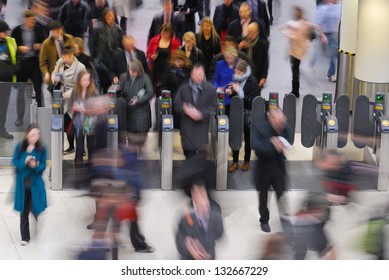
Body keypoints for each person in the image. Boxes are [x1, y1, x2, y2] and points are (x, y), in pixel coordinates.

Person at [251, 107, 293, 233]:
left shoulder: (284, 127)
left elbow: (289, 139)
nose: (279, 123)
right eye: (277, 120)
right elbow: (255, 145)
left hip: (279, 167)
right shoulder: (259, 127)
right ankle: (264, 220)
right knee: (263, 196)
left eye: (281, 120)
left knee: (281, 195)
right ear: (270, 118)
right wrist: (272, 144)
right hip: (264, 167)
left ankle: (285, 220)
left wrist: (282, 142)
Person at [12, 123, 47, 246]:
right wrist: (25, 160)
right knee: (23, 210)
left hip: (35, 184)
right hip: (23, 184)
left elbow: (43, 165)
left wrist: (36, 165)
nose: (35, 137)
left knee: (34, 206)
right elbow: (15, 161)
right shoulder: (20, 146)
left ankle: (35, 216)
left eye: (37, 134)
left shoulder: (42, 149)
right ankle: (25, 237)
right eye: (33, 134)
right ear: (27, 135)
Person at [174, 64, 218, 159]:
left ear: (204, 74)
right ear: (191, 74)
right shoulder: (184, 88)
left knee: (201, 160)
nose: (198, 77)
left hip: (201, 131)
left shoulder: (211, 89)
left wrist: (201, 114)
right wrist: (185, 109)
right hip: (187, 131)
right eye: (196, 74)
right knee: (189, 159)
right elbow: (176, 104)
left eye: (200, 74)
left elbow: (215, 107)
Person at [280, 6, 326, 97]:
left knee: (295, 71)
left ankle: (295, 91)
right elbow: (316, 26)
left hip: (296, 52)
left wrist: (283, 31)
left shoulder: (298, 25)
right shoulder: (305, 23)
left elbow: (294, 37)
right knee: (295, 69)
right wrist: (323, 35)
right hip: (301, 49)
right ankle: (295, 90)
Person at [175, 180, 224, 260]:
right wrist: (188, 246)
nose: (201, 199)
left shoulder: (216, 212)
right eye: (197, 195)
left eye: (202, 194)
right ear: (193, 198)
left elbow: (220, 233)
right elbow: (179, 237)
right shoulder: (185, 214)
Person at [226, 60, 260, 173]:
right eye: (236, 72)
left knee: (248, 138)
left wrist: (239, 91)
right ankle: (235, 161)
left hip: (247, 113)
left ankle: (246, 161)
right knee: (235, 135)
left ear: (244, 72)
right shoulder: (236, 79)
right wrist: (231, 92)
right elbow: (235, 98)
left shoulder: (253, 82)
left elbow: (252, 101)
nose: (237, 75)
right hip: (236, 112)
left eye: (239, 73)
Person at [52, 46, 86, 155]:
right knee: (67, 124)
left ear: (71, 56)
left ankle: (81, 148)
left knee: (78, 124)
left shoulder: (81, 67)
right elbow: (54, 74)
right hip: (64, 98)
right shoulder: (60, 63)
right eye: (63, 57)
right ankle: (71, 146)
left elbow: (83, 85)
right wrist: (55, 78)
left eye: (66, 58)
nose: (64, 60)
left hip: (77, 97)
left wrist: (71, 93)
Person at [12, 10, 46, 117]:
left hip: (34, 62)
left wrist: (39, 46)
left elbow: (43, 42)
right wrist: (19, 48)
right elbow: (12, 46)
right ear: (25, 20)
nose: (33, 22)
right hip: (22, 63)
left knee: (38, 89)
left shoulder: (39, 29)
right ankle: (20, 116)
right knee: (20, 92)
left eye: (34, 20)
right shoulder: (17, 31)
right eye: (31, 20)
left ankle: (40, 113)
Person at [118, 60, 154, 147]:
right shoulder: (123, 77)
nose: (133, 74)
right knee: (130, 140)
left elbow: (150, 93)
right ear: (128, 69)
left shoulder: (145, 78)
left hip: (141, 114)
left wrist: (139, 101)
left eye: (135, 72)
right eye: (131, 71)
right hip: (128, 112)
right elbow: (119, 90)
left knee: (140, 141)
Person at [89, 7, 124, 93]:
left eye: (112, 16)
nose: (110, 19)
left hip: (112, 61)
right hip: (100, 60)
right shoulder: (97, 28)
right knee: (100, 82)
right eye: (107, 16)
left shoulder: (118, 29)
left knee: (111, 83)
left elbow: (121, 46)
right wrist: (92, 58)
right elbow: (91, 44)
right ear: (104, 16)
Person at [39, 20, 74, 94]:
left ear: (62, 29)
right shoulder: (46, 44)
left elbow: (74, 54)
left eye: (58, 30)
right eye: (54, 31)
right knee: (57, 101)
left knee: (69, 98)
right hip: (55, 74)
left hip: (69, 73)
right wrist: (46, 73)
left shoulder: (69, 39)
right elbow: (42, 63)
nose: (56, 33)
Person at [147, 23, 181, 97]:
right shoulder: (153, 41)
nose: (165, 34)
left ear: (171, 33)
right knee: (156, 87)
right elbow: (148, 53)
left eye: (167, 32)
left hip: (168, 69)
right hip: (156, 68)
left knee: (165, 87)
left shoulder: (176, 43)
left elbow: (179, 56)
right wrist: (152, 57)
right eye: (163, 32)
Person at [161, 49, 191, 129]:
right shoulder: (169, 70)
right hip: (173, 100)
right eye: (176, 60)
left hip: (186, 100)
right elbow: (164, 84)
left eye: (180, 61)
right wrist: (167, 97)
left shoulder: (189, 71)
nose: (177, 63)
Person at [0, 19, 19, 140]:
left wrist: (14, 69)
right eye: (4, 32)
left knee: (3, 107)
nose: (6, 34)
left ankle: (1, 129)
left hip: (7, 81)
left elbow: (17, 57)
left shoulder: (10, 41)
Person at [316, 0, 340, 82]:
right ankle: (332, 74)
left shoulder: (336, 8)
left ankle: (331, 74)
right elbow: (319, 23)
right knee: (332, 55)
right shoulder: (322, 9)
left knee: (334, 55)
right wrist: (323, 36)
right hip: (326, 34)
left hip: (334, 34)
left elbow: (338, 20)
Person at [241, 22, 269, 88]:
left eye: (252, 32)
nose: (249, 35)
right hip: (243, 75)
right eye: (249, 32)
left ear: (257, 32)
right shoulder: (243, 41)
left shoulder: (263, 44)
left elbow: (265, 62)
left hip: (257, 75)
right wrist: (239, 47)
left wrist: (263, 77)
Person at [212, 45, 238, 115]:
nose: (229, 60)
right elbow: (215, 80)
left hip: (235, 96)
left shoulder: (239, 64)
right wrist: (217, 88)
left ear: (235, 57)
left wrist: (233, 89)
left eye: (231, 58)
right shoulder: (220, 64)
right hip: (222, 95)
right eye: (227, 58)